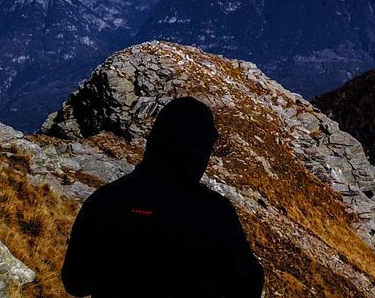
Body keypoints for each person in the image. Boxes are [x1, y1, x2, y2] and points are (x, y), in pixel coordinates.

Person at [61, 96, 264, 297]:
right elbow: (247, 284)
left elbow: (75, 282)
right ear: (199, 152)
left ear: (155, 140)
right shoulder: (214, 212)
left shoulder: (104, 201)